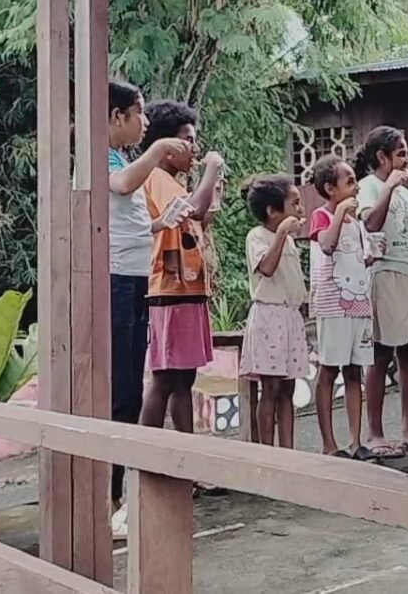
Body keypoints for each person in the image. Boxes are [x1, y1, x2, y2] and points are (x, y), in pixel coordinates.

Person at [105, 80, 186, 537]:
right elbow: (120, 185)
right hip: (117, 282)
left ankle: (119, 497)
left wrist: (160, 222)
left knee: (132, 387)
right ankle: (112, 498)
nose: (145, 122)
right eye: (139, 114)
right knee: (122, 391)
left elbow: (129, 216)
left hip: (136, 280)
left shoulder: (121, 157)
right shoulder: (106, 158)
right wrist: (157, 152)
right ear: (117, 117)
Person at [139, 100, 224, 439]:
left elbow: (200, 216)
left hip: (187, 290)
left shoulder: (170, 180)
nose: (195, 149)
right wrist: (212, 169)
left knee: (184, 378)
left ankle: (186, 462)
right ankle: (148, 462)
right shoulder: (157, 177)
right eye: (188, 140)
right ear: (167, 148)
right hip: (169, 290)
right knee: (165, 377)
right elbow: (194, 209)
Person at [355, 125, 408, 458]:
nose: (407, 158)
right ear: (382, 157)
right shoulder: (370, 186)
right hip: (386, 273)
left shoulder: (405, 192)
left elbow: (407, 230)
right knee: (381, 353)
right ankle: (374, 433)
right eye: (401, 152)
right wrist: (388, 186)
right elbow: (371, 224)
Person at [308, 155, 372, 460]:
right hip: (332, 306)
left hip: (358, 306)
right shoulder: (321, 216)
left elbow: (358, 257)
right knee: (329, 369)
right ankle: (328, 442)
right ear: (330, 189)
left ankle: (355, 441)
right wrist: (339, 215)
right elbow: (326, 245)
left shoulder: (357, 224)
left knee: (354, 371)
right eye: (349, 182)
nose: (356, 187)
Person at [238, 175, 307, 447]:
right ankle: (267, 452)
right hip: (269, 317)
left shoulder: (289, 241)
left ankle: (288, 451)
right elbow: (266, 268)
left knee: (288, 387)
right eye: (295, 203)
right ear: (273, 211)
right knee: (271, 387)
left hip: (290, 316)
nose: (300, 209)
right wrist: (280, 235)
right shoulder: (258, 236)